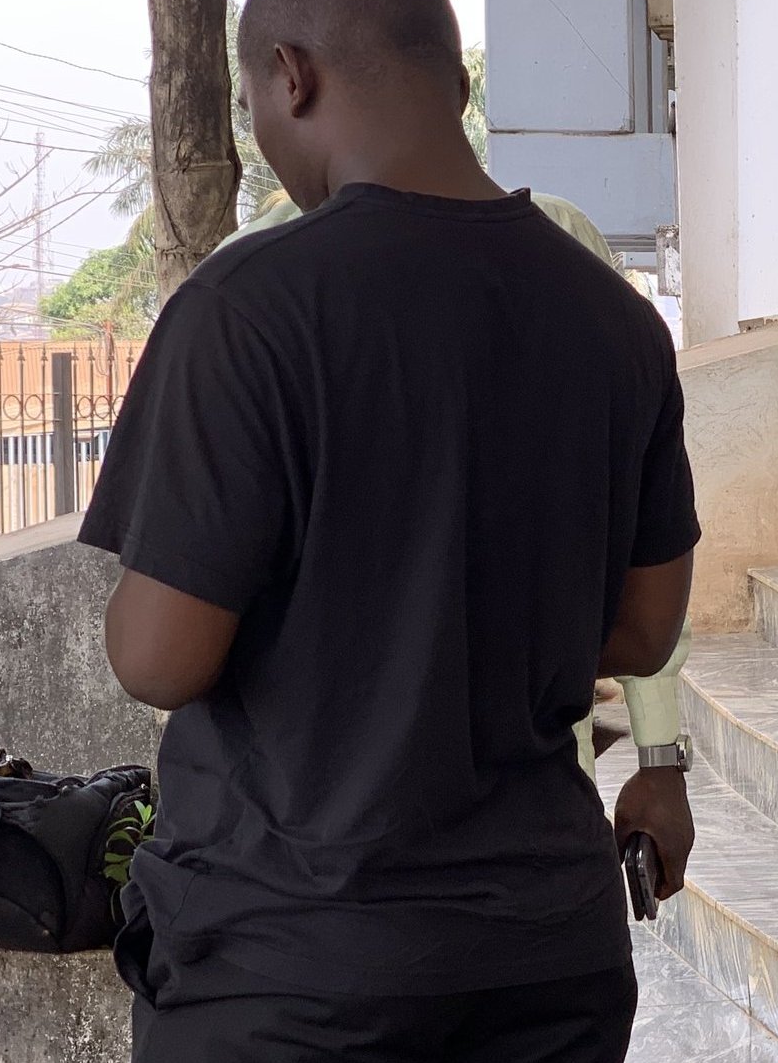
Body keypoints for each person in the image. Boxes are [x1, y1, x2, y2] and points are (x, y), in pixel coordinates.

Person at [78, 0, 699, 1063]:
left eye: (258, 98)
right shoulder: (615, 324)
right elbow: (641, 623)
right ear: (453, 84)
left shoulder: (247, 313)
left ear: (290, 76)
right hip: (541, 962)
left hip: (294, 976)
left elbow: (160, 657)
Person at [223, 189, 691, 775]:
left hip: (320, 810)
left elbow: (160, 656)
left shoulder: (239, 286)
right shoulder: (570, 259)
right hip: (521, 802)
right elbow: (647, 625)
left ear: (295, 92)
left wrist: (659, 757)